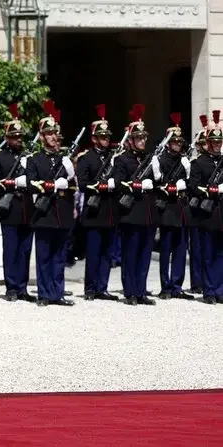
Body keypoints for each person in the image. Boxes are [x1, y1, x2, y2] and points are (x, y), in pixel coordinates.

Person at [26, 100, 75, 307]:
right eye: (49, 133)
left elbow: (73, 187)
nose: (53, 137)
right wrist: (54, 185)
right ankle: (44, 294)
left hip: (62, 213)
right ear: (42, 137)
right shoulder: (35, 160)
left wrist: (68, 178)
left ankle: (58, 293)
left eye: (55, 133)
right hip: (44, 214)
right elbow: (31, 185)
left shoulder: (64, 160)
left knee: (59, 256)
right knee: (44, 256)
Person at [0, 103, 35, 301]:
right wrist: (11, 182)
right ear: (6, 138)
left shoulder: (28, 157)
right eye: (14, 137)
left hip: (27, 207)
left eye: (20, 136)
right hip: (9, 208)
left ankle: (23, 287)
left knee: (25, 250)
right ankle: (12, 287)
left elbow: (35, 181)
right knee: (11, 250)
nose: (18, 140)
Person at [112, 104, 157, 305]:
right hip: (131, 213)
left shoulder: (149, 159)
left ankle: (141, 290)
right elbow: (120, 184)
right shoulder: (121, 160)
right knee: (130, 254)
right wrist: (138, 186)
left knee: (145, 254)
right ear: (130, 141)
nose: (142, 141)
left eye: (144, 137)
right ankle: (130, 291)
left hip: (147, 213)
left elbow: (159, 184)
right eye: (139, 138)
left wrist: (157, 176)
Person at [76, 104, 119, 301]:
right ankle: (90, 288)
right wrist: (102, 186)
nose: (106, 140)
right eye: (102, 137)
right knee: (93, 252)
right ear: (94, 139)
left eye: (107, 137)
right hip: (94, 211)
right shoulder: (86, 158)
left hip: (109, 210)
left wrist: (113, 184)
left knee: (107, 253)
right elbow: (83, 184)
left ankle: (103, 287)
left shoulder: (113, 158)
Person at [155, 113, 193, 300]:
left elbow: (191, 183)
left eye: (179, 142)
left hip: (181, 208)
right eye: (174, 141)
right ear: (168, 143)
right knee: (166, 248)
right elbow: (157, 183)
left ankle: (177, 285)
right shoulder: (161, 160)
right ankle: (165, 285)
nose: (178, 144)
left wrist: (186, 181)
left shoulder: (184, 161)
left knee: (180, 248)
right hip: (167, 207)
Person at [188, 110, 223, 304]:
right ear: (208, 142)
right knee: (208, 254)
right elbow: (194, 187)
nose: (217, 145)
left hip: (221, 213)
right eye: (214, 142)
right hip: (208, 213)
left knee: (221, 253)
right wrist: (213, 190)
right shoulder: (199, 163)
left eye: (219, 142)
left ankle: (220, 288)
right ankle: (209, 291)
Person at [187, 115, 208, 295]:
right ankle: (197, 281)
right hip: (196, 207)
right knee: (197, 247)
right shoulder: (193, 163)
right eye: (203, 144)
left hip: (211, 209)